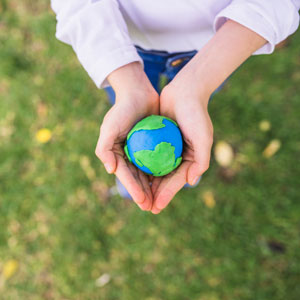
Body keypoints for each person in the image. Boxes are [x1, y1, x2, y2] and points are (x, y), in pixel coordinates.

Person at [51, 0, 300, 214]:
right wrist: (126, 83)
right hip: (121, 39)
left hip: (217, 46)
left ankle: (190, 137)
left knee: (193, 105)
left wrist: (198, 84)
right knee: (125, 105)